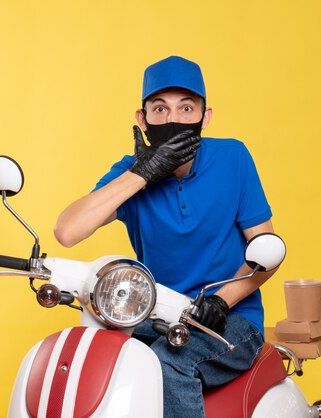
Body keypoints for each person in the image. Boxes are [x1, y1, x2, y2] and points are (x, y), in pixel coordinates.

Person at [54, 56, 278, 418]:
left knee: (168, 363)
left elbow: (267, 254)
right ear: (142, 120)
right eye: (159, 109)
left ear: (205, 118)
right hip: (157, 312)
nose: (173, 119)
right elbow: (67, 231)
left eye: (186, 108)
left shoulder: (232, 158)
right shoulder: (130, 174)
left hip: (233, 319)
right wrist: (144, 172)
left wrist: (221, 301)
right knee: (93, 353)